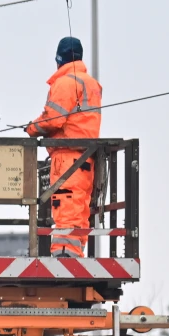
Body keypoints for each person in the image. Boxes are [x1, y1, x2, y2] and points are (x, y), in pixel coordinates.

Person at [25, 37, 103, 257]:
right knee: (80, 206)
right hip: (87, 156)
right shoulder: (91, 84)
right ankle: (74, 252)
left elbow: (53, 119)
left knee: (65, 203)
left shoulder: (66, 82)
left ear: (58, 59)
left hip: (67, 156)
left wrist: (32, 128)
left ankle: (64, 254)